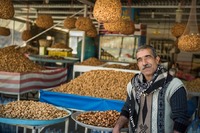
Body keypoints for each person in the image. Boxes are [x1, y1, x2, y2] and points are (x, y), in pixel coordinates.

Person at [113, 45, 190, 133]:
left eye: (148, 57)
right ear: (138, 64)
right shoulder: (133, 85)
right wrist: (118, 126)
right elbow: (127, 108)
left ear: (157, 60)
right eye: (140, 60)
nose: (144, 63)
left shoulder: (174, 86)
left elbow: (181, 119)